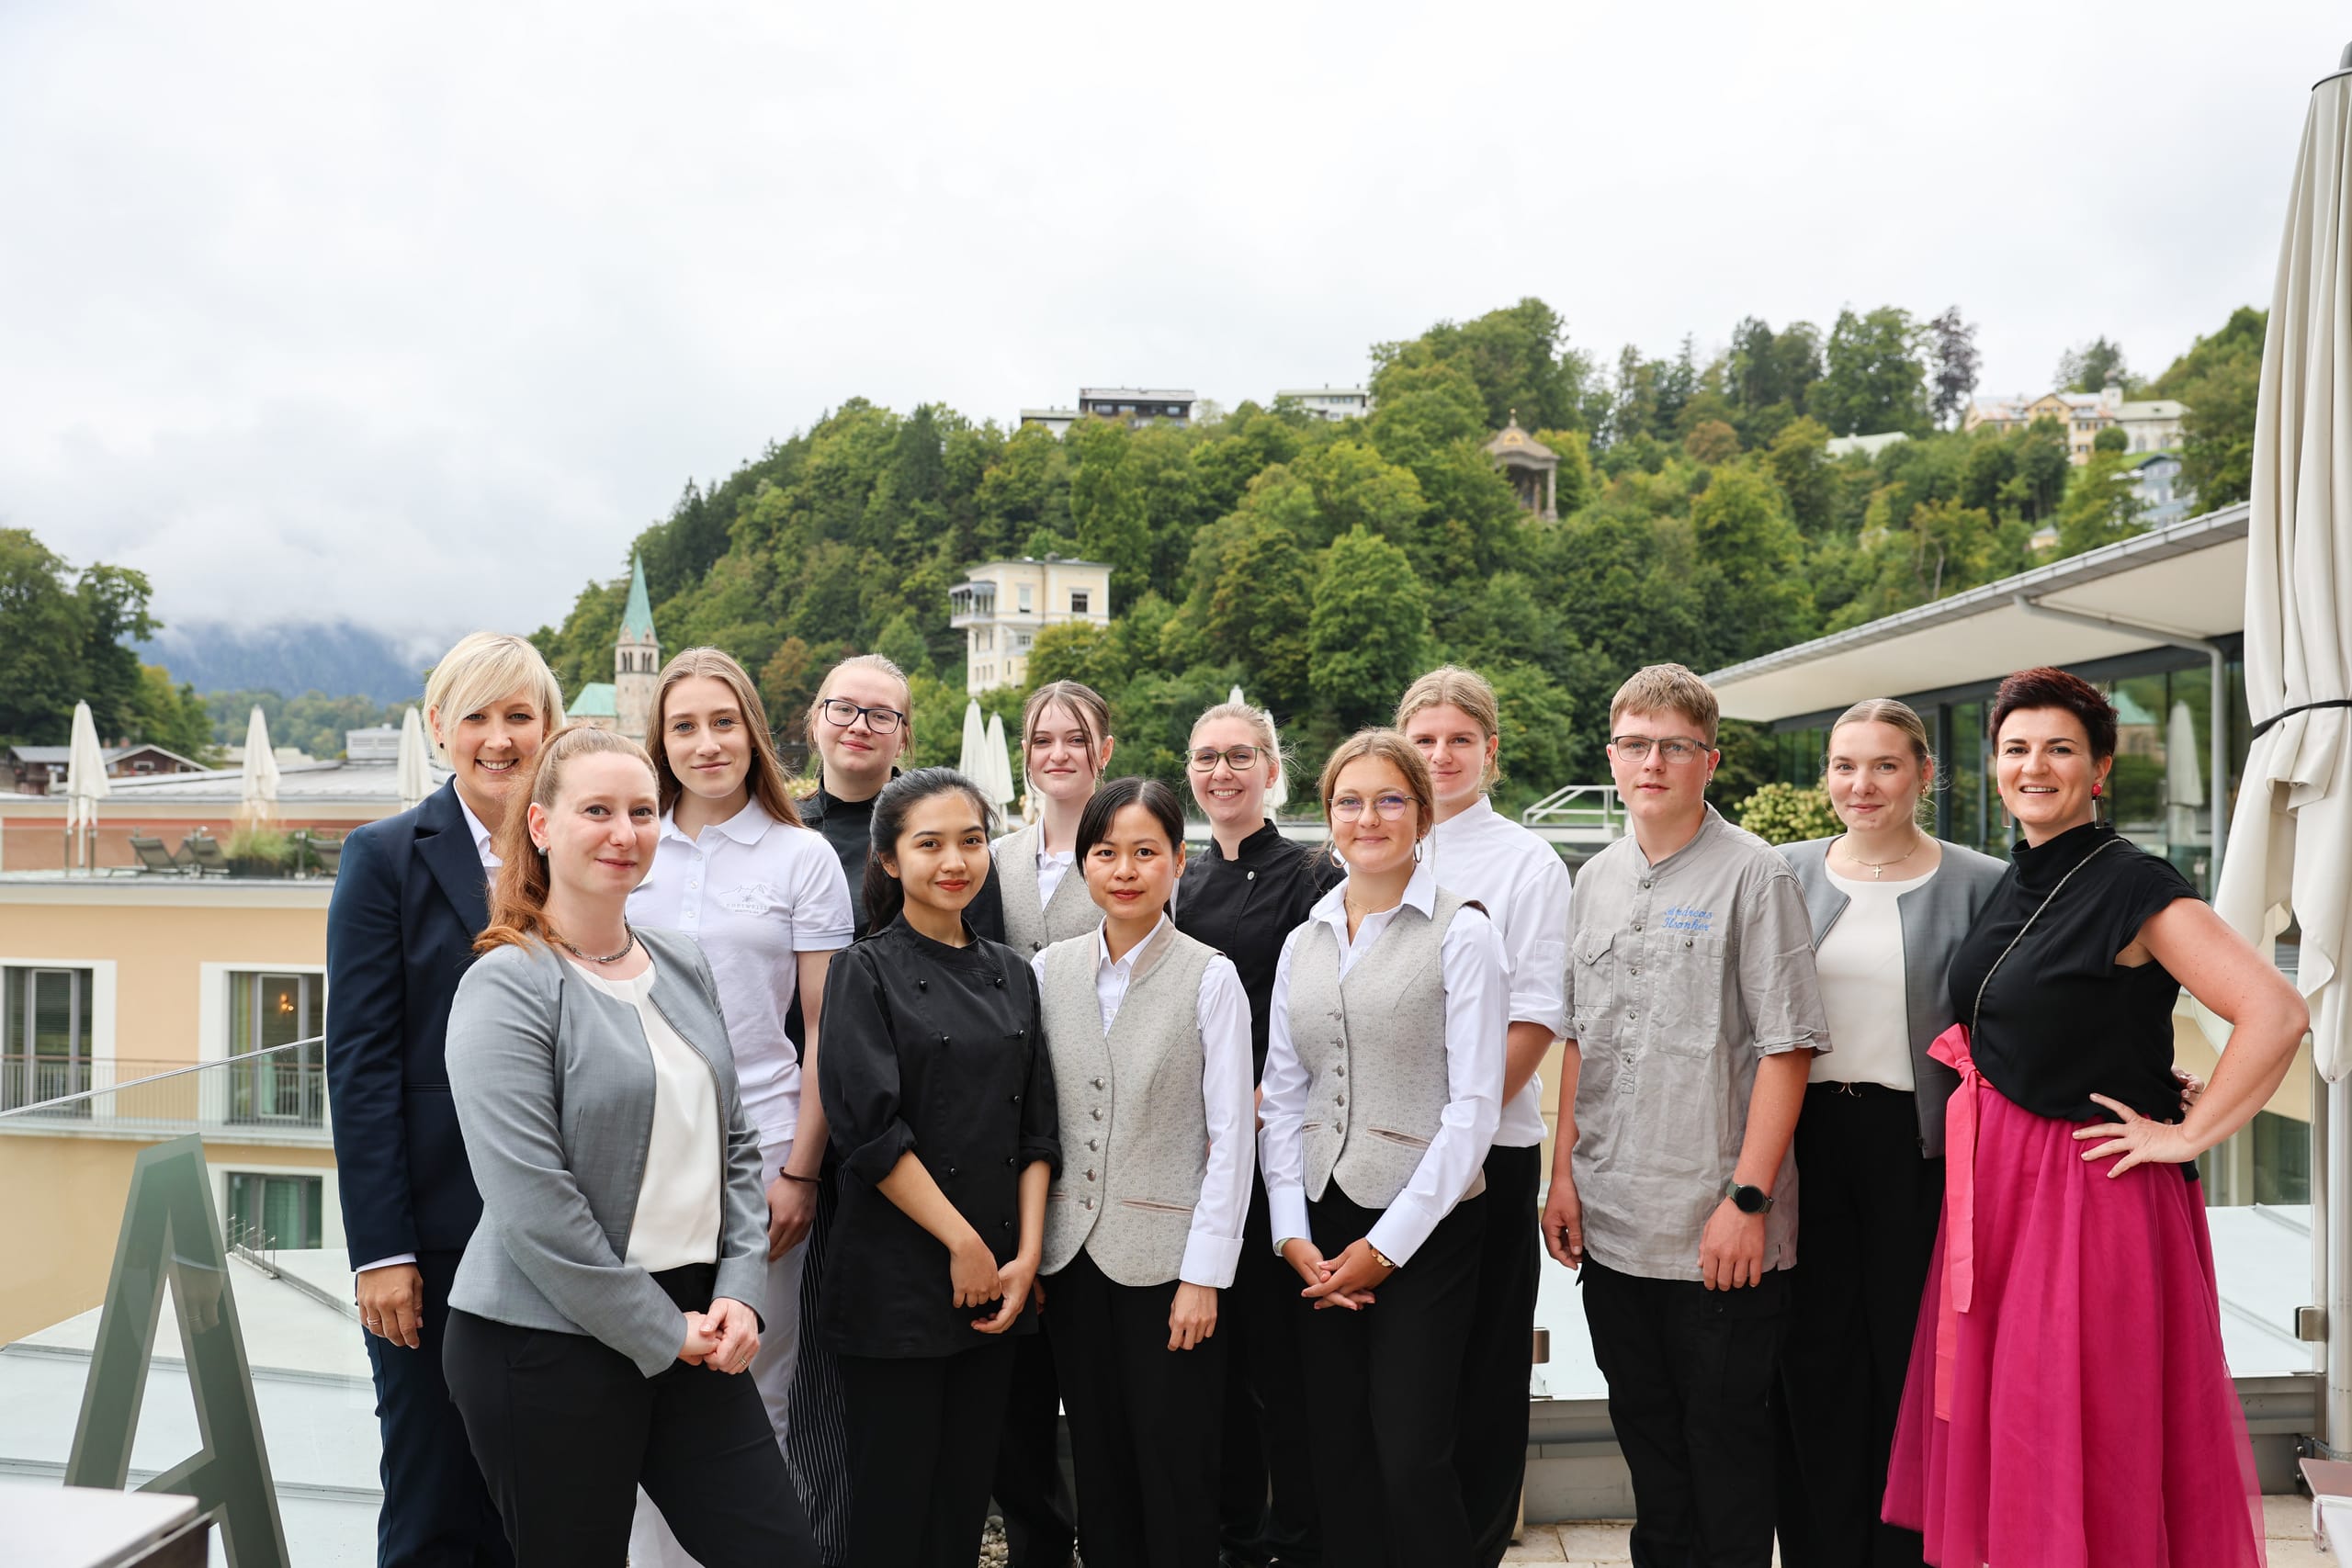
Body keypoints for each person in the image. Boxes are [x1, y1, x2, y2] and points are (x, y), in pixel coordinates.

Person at [1883, 668, 2306, 1568]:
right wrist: (2144, 1065)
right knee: (2025, 1432)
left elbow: (2274, 1012)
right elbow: (2063, 1016)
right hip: (2002, 1190)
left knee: (2089, 1435)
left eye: (2060, 749)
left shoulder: (2132, 884)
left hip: (2087, 1195)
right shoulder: (2023, 876)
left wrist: (2187, 1134)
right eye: (2016, 749)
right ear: (1993, 766)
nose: (2035, 766)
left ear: (2100, 770)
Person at [438, 726, 816, 1567]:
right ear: (540, 826)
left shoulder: (681, 961)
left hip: (693, 1325)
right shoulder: (507, 982)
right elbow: (534, 1203)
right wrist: (660, 1328)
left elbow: (737, 1145)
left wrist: (742, 1288)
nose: (625, 832)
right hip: (543, 1341)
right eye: (598, 810)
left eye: (642, 811)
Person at [1539, 663, 1828, 1568]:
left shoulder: (1755, 875)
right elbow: (1579, 1039)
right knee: (1651, 1450)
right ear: (1612, 756)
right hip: (1614, 1222)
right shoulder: (1594, 879)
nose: (1651, 761)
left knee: (1727, 1454)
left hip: (1718, 1231)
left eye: (1674, 746)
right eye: (1634, 744)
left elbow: (1786, 1048)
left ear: (1710, 758)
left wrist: (1746, 1201)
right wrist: (1562, 1176)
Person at [324, 630, 562, 1568]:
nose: (498, 739)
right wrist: (382, 1252)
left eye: (518, 716)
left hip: (562, 1239)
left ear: (550, 730)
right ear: (438, 729)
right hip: (432, 1242)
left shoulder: (580, 848)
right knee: (434, 1503)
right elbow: (363, 1064)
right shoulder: (383, 858)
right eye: (477, 717)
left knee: (546, 1503)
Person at [626, 649, 855, 1568]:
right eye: (683, 725)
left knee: (757, 1385)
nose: (705, 743)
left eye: (723, 722)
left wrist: (800, 1171)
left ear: (753, 733)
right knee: (644, 1382)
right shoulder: (628, 841)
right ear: (660, 740)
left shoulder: (802, 858)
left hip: (763, 1156)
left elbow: (823, 1035)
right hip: (638, 1162)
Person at [1260, 729, 1508, 1568]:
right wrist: (1291, 1232)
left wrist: (1383, 1248)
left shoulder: (1463, 932)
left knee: (1411, 1453)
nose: (1369, 817)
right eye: (1350, 800)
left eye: (1390, 798)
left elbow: (1474, 1111)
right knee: (1337, 1453)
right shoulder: (1305, 939)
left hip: (1423, 1227)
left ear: (1424, 813)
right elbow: (1285, 1095)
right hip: (1318, 1224)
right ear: (1326, 815)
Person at [1770, 700, 2005, 1568]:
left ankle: (1913, 1553)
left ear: (1923, 775)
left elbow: (2024, 1012)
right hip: (1803, 1142)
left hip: (1924, 1151)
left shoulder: (1980, 881)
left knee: (1915, 1364)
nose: (1861, 785)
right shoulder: (1782, 872)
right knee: (1814, 1356)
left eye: (1884, 766)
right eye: (1843, 766)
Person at [786, 652, 1006, 1566]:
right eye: (844, 708)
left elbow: (986, 1017)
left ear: (904, 732)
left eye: (881, 714)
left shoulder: (949, 846)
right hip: (820, 1141)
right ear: (814, 720)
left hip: (929, 1161)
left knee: (928, 1442)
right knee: (825, 1399)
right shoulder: (785, 836)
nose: (860, 725)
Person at [817, 767, 1060, 1568]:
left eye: (971, 840)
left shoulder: (1013, 972)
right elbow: (868, 1131)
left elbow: (1036, 1131)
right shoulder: (865, 969)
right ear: (889, 860)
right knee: (890, 1507)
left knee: (960, 1502)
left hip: (997, 1278)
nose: (954, 859)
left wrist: (1022, 1258)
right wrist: (961, 1243)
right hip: (898, 1274)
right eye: (929, 843)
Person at [1035, 777, 1254, 1568]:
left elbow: (1232, 1139)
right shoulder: (1047, 970)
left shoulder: (1211, 976)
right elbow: (1038, 1125)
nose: (1123, 869)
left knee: (1177, 1466)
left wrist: (1205, 1274)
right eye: (1105, 853)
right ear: (1084, 864)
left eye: (1144, 852)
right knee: (1099, 1462)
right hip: (1071, 1258)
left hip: (1169, 1266)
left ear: (1177, 861)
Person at [1395, 666, 1574, 1568]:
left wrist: (1453, 1134)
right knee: (1403, 1375)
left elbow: (1536, 1019)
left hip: (1486, 1158)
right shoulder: (1377, 848)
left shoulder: (1524, 863)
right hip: (1381, 1160)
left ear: (1489, 751)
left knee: (1482, 1366)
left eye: (1457, 740)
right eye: (1422, 741)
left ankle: (1471, 1551)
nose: (1439, 757)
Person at [1173, 699, 1340, 1568]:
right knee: (1221, 1364)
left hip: (1283, 1145)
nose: (1222, 773)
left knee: (1285, 1364)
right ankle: (1233, 1534)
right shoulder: (1180, 883)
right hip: (1201, 1154)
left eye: (1241, 756)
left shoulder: (1315, 873)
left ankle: (1299, 1537)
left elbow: (1321, 1003)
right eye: (1206, 758)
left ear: (1272, 769)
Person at [987, 679, 1114, 1566]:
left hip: (1100, 1119)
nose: (1058, 753)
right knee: (1015, 1377)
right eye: (1043, 739)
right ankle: (1038, 1538)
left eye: (1076, 738)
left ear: (1103, 749)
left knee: (1098, 1365)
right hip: (1003, 1127)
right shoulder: (991, 856)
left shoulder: (1128, 846)